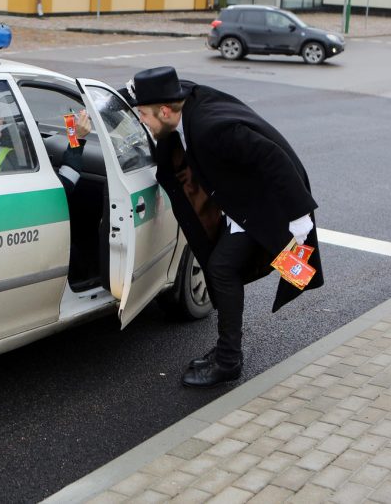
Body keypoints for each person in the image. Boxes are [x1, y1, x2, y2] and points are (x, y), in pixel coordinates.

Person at [129, 66, 323, 388]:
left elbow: (273, 159)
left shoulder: (208, 127)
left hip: (270, 207)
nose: (142, 123)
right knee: (223, 267)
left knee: (238, 267)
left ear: (165, 110)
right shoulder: (186, 98)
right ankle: (227, 351)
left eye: (144, 116)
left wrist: (300, 218)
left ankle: (228, 360)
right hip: (245, 198)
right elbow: (153, 90)